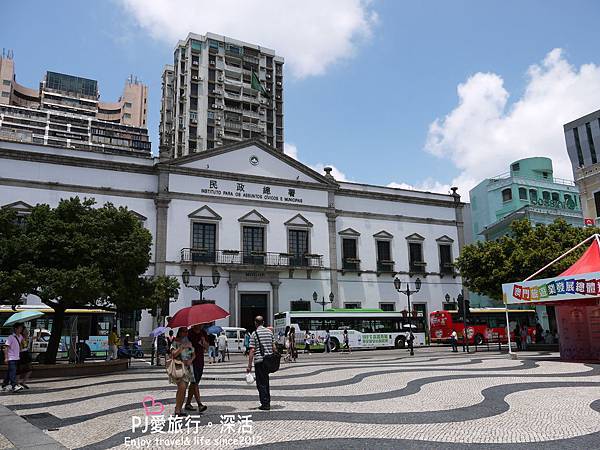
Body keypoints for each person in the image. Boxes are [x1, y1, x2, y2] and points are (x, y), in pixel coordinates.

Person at [246, 316, 276, 410]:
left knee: (261, 383)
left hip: (259, 361)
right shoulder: (269, 332)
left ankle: (265, 403)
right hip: (268, 360)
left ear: (255, 323)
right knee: (266, 381)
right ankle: (267, 401)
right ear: (263, 322)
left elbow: (252, 350)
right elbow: (274, 347)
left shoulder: (254, 334)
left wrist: (249, 365)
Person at [169, 327, 194, 416]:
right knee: (182, 387)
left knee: (183, 389)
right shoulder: (175, 342)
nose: (186, 333)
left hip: (187, 368)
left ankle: (178, 408)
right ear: (180, 332)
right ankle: (177, 409)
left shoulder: (188, 342)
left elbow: (193, 354)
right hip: (179, 367)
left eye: (187, 332)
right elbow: (173, 354)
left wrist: (191, 359)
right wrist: (181, 347)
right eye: (184, 331)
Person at [185, 325, 208, 413]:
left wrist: (203, 341)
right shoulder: (189, 333)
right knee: (194, 381)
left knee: (195, 382)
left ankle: (188, 403)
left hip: (200, 361)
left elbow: (206, 347)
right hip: (191, 360)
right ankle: (199, 404)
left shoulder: (203, 333)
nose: (201, 325)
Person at [2, 323, 24, 393]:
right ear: (16, 329)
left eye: (21, 328)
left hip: (17, 358)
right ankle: (14, 386)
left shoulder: (20, 336)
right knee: (13, 372)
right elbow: (6, 347)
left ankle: (4, 384)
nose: (21, 329)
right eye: (20, 328)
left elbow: (22, 343)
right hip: (11, 358)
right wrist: (6, 358)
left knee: (10, 372)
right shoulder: (10, 337)